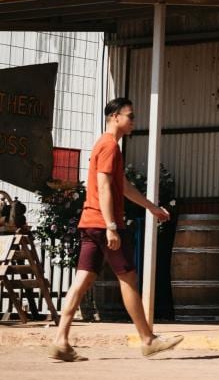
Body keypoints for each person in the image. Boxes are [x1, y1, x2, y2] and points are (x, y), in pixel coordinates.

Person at [50, 97, 184, 362]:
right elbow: (103, 188)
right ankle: (147, 340)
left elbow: (122, 185)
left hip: (90, 223)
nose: (133, 121)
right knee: (128, 278)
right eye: (130, 116)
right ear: (115, 117)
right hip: (104, 224)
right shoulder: (110, 145)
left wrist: (151, 207)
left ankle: (60, 340)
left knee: (82, 280)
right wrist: (111, 226)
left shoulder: (105, 145)